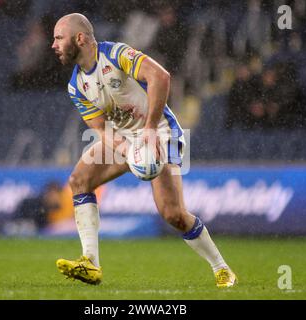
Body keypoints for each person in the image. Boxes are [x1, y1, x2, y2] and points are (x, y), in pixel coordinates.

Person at [51, 13, 237, 288]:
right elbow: (100, 129)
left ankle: (222, 269)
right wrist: (127, 148)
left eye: (58, 38)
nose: (53, 45)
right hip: (124, 139)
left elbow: (160, 76)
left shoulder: (116, 54)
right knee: (79, 181)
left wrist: (149, 128)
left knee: (173, 214)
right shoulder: (76, 86)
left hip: (160, 132)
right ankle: (90, 262)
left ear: (79, 38)